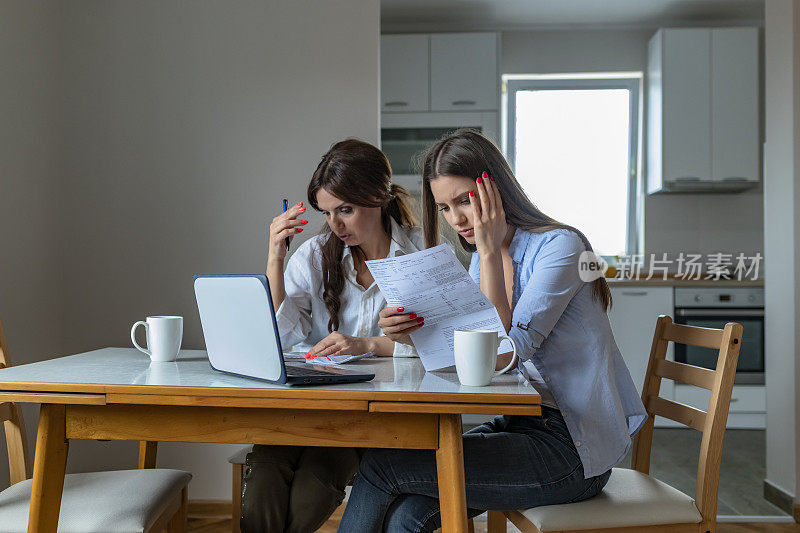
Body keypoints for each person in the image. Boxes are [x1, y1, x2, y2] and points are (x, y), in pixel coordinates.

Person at [338, 129, 648, 532]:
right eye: (445, 207)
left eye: (464, 201)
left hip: (573, 449)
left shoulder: (561, 246)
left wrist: (487, 251)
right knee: (405, 515)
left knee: (382, 466)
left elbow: (502, 353)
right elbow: (465, 359)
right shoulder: (480, 261)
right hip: (520, 425)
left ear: (495, 189)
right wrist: (410, 333)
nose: (457, 219)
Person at [240, 139, 423, 532]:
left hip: (368, 420)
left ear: (379, 196)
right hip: (304, 408)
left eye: (346, 210)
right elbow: (278, 335)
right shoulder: (314, 253)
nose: (336, 224)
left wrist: (368, 344)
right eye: (327, 212)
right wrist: (276, 256)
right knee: (263, 481)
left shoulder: (420, 254)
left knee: (312, 487)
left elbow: (437, 349)